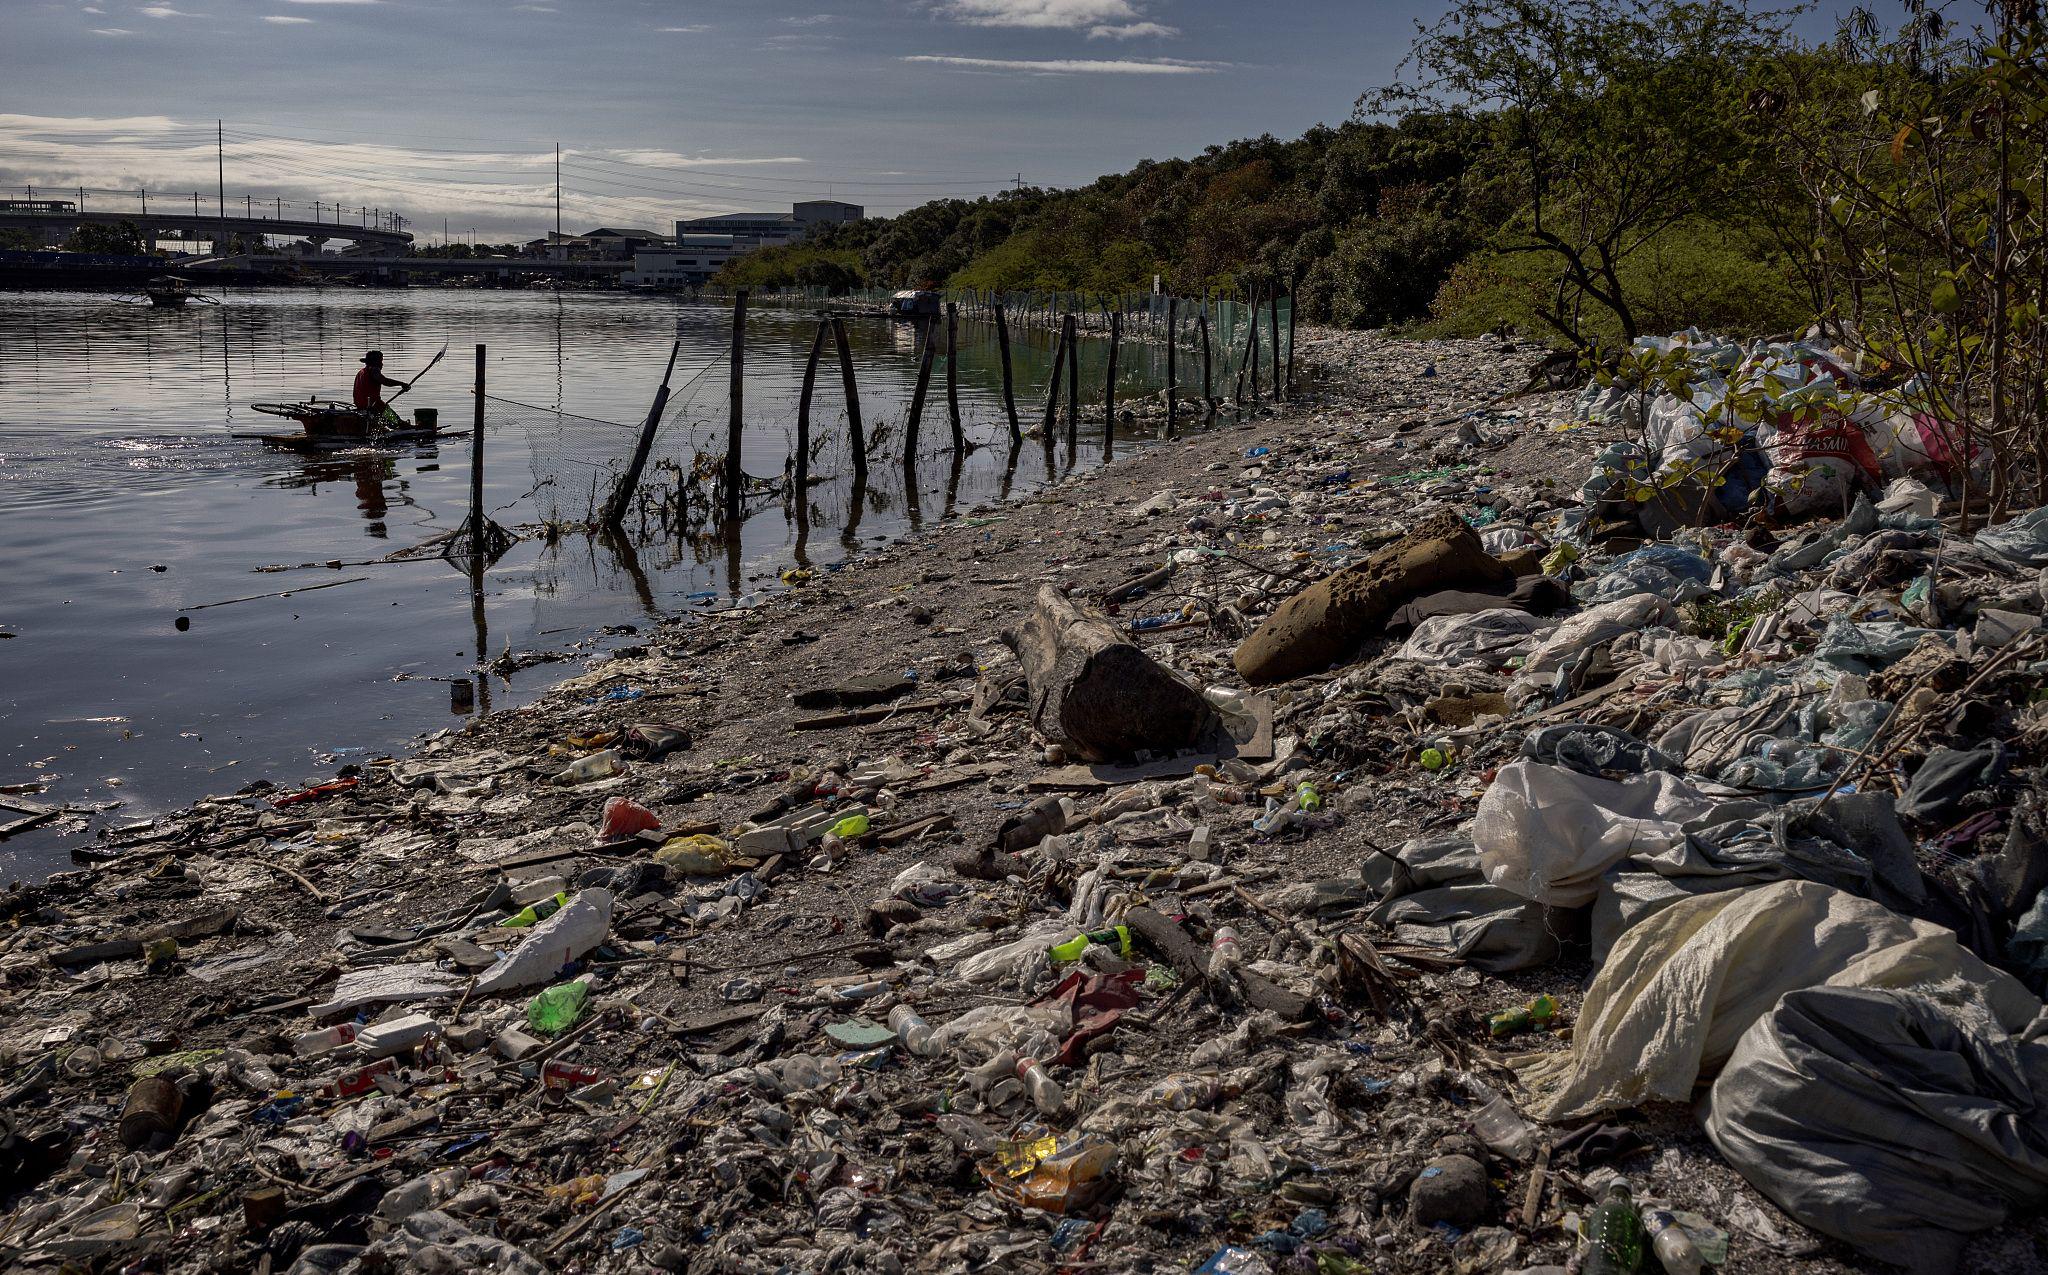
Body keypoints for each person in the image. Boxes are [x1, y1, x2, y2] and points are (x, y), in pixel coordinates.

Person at [352, 350, 407, 423]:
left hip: (359, 404)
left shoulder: (361, 372)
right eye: (381, 361)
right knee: (396, 421)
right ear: (375, 362)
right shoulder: (374, 370)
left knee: (388, 421)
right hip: (373, 404)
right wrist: (402, 384)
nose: (382, 364)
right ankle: (404, 426)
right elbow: (384, 381)